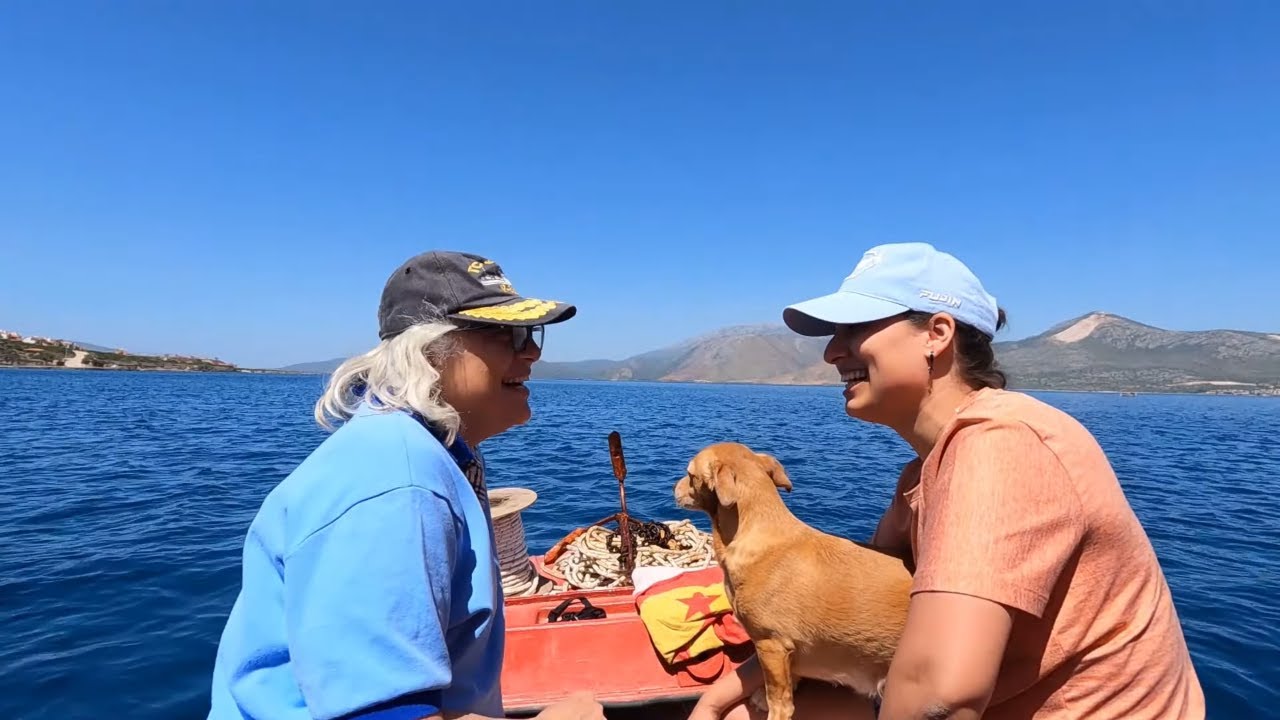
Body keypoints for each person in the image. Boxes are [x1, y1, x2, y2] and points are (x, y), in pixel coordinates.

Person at [689, 242, 1205, 720]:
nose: (831, 353)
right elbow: (856, 612)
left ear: (937, 335)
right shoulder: (923, 474)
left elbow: (941, 692)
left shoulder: (1002, 445)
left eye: (855, 328)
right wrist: (714, 702)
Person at [208, 250, 605, 720]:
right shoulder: (398, 487)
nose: (533, 352)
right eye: (510, 335)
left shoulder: (430, 449)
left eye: (531, 334)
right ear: (430, 351)